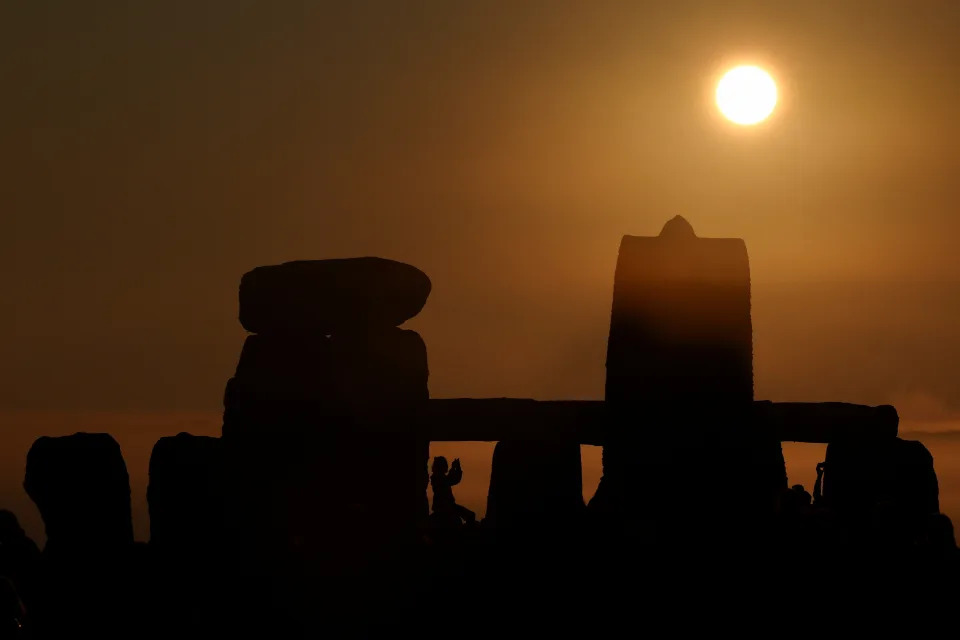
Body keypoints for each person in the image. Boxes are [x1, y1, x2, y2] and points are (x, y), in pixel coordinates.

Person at [430, 457, 475, 526]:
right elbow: (450, 479)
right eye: (444, 465)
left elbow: (453, 479)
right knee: (470, 516)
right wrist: (454, 468)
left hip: (449, 506)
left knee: (470, 515)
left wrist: (457, 468)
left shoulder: (438, 477)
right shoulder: (437, 478)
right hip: (445, 508)